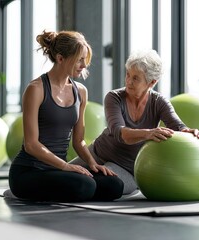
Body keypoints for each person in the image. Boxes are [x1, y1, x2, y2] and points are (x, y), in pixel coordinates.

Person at [70, 49, 199, 195]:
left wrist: (191, 132)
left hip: (127, 169)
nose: (128, 81)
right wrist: (147, 134)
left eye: (135, 78)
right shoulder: (114, 97)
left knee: (104, 185)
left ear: (151, 82)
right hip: (97, 154)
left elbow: (178, 127)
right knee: (62, 174)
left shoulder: (159, 102)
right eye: (128, 75)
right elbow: (119, 132)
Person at [7, 30, 124, 202]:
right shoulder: (36, 89)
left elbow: (78, 141)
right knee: (85, 186)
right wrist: (66, 166)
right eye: (79, 59)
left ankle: (69, 186)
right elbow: (31, 145)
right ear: (61, 58)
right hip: (29, 171)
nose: (84, 65)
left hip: (57, 171)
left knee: (114, 186)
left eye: (85, 59)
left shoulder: (81, 92)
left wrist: (92, 163)